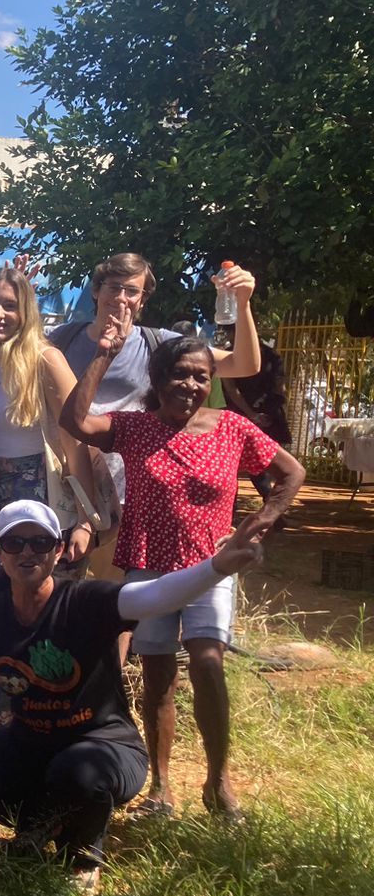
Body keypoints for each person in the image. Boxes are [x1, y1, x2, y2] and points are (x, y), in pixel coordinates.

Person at [0, 501, 268, 893]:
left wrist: (216, 567)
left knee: (78, 772)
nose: (28, 552)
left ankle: (82, 853)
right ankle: (43, 822)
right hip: (31, 742)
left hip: (105, 745)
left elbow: (157, 595)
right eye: (15, 542)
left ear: (58, 550)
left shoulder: (87, 600)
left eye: (41, 542)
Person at [63, 324, 304, 820]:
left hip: (210, 567)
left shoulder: (231, 427)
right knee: (157, 677)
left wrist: (256, 524)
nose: (190, 385)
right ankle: (161, 788)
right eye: (179, 374)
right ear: (157, 379)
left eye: (200, 376)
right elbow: (75, 420)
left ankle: (219, 783)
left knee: (208, 663)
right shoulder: (135, 427)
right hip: (148, 567)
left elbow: (291, 472)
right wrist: (104, 355)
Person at [47, 252, 262, 577]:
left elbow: (243, 364)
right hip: (64, 490)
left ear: (142, 300)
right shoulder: (61, 340)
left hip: (129, 496)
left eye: (132, 291)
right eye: (113, 287)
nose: (121, 297)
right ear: (96, 291)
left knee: (115, 600)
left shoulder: (158, 345)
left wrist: (242, 303)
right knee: (57, 599)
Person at [0, 265, 99, 562]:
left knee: (54, 586)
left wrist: (86, 521)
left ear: (25, 312)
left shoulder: (46, 360)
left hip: (50, 491)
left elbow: (76, 443)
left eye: (10, 306)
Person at [219, 330, 292, 516]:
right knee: (264, 464)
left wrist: (254, 414)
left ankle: (235, 511)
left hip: (246, 415)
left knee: (238, 465)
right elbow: (281, 388)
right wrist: (263, 411)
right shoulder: (271, 355)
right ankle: (272, 507)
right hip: (262, 414)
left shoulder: (230, 355)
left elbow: (232, 389)